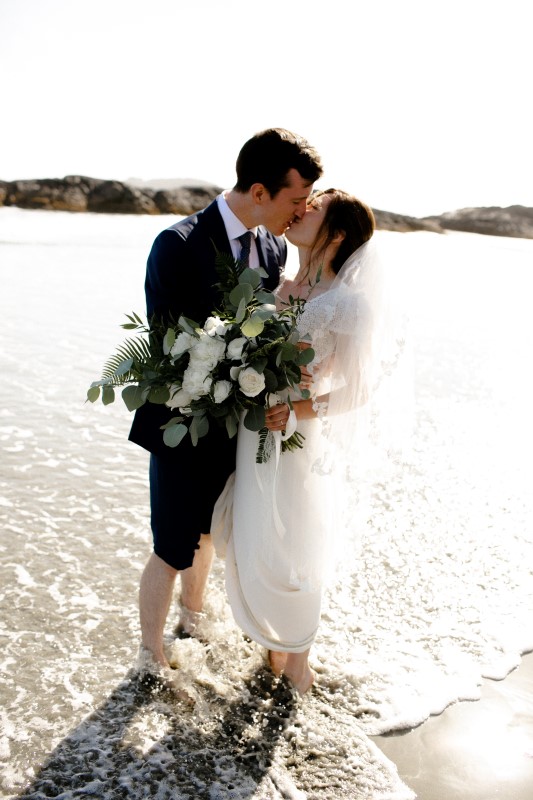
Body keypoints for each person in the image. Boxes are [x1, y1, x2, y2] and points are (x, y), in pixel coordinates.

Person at [128, 128, 324, 674]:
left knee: (211, 530)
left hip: (239, 424)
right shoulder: (179, 243)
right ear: (259, 191)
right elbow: (170, 343)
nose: (301, 209)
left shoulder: (273, 245)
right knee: (171, 544)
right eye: (295, 198)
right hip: (182, 417)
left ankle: (193, 618)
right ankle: (151, 658)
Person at [212, 189, 412, 694]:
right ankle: (271, 647)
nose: (301, 210)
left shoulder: (348, 305)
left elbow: (359, 390)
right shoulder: (275, 288)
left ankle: (299, 659)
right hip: (255, 431)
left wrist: (298, 409)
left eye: (314, 208)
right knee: (255, 536)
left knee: (297, 542)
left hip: (299, 439)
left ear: (337, 234)